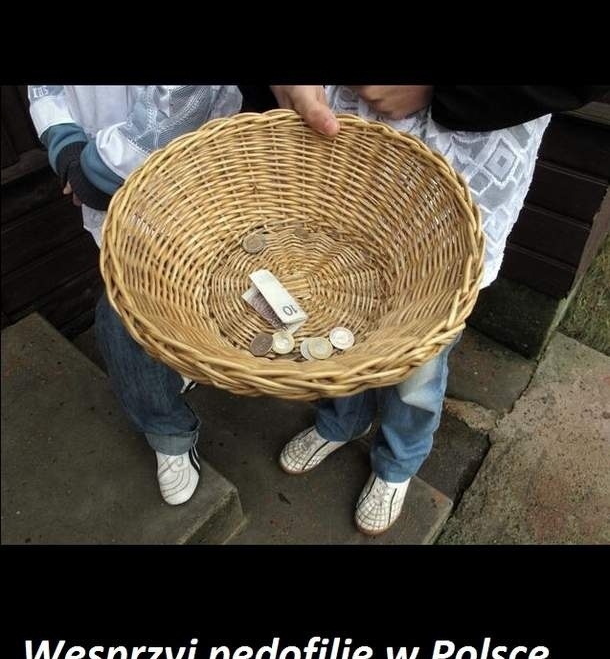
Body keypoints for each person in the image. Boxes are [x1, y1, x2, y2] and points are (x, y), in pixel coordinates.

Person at [243, 83, 609, 536]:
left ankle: (399, 459)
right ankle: (343, 419)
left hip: (463, 142)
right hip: (358, 143)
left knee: (421, 355)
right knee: (345, 302)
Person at [28, 84, 243, 506]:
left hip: (186, 168)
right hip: (99, 163)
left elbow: (179, 105)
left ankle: (186, 360)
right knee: (125, 311)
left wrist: (93, 173)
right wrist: (66, 145)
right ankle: (168, 430)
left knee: (204, 275)